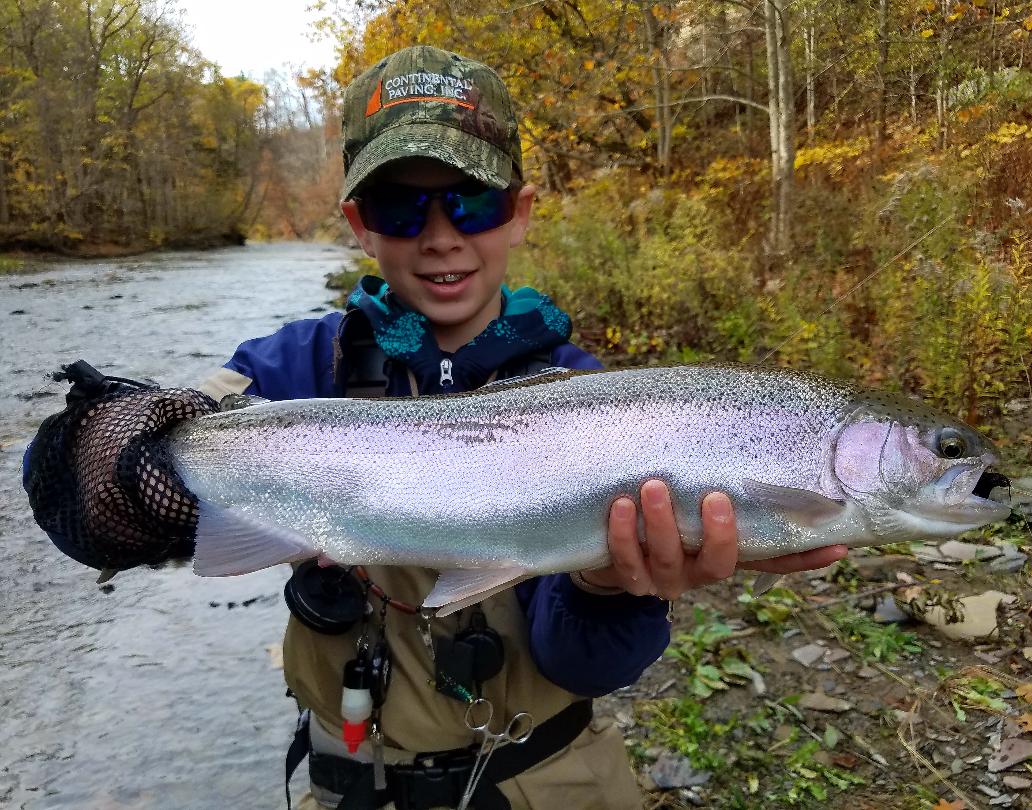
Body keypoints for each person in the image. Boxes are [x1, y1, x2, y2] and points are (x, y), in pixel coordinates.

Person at [23, 45, 845, 810]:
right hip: (351, 779)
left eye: (472, 201)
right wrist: (129, 459)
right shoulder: (296, 367)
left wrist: (607, 585)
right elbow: (75, 500)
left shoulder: (600, 406)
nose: (441, 235)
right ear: (359, 224)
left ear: (520, 212)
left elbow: (581, 664)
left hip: (549, 775)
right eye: (400, 206)